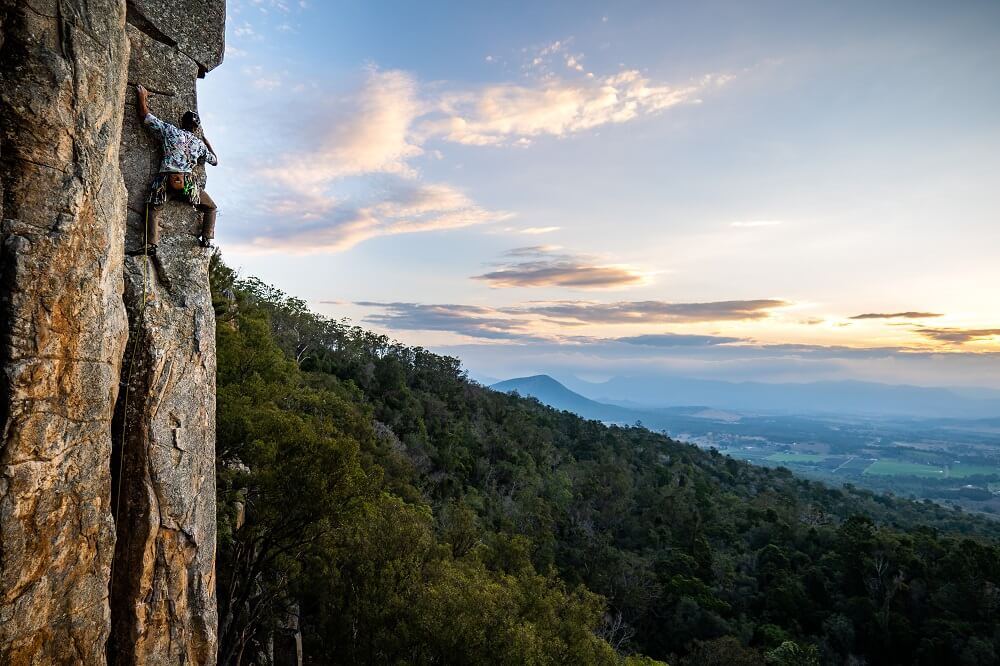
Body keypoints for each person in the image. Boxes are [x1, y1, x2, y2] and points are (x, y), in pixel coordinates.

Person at [131, 84, 219, 255]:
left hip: (166, 181)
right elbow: (215, 161)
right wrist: (207, 144)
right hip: (188, 185)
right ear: (196, 128)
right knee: (210, 207)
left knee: (152, 208)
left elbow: (145, 116)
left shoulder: (170, 131)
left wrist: (142, 97)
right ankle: (207, 238)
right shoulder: (199, 145)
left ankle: (151, 244)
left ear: (182, 122)